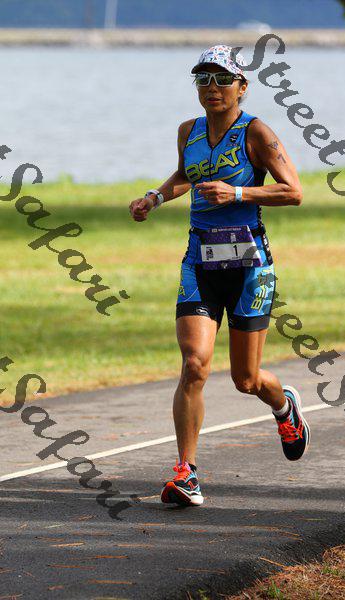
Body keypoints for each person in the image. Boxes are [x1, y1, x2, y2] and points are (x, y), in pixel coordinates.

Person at [129, 45, 310, 507]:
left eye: (223, 79)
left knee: (245, 380)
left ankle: (284, 405)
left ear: (241, 87)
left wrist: (238, 193)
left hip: (249, 265)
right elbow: (186, 175)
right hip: (200, 262)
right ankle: (186, 473)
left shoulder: (256, 133)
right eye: (203, 79)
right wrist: (154, 197)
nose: (212, 88)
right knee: (194, 364)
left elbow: (293, 191)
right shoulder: (188, 131)